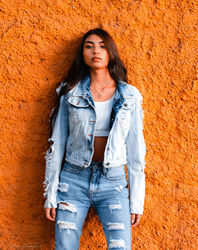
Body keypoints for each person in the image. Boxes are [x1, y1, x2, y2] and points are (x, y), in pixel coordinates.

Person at [43, 28, 146, 250]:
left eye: (102, 46)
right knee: (65, 247)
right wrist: (50, 194)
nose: (95, 51)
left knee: (121, 247)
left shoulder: (130, 95)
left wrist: (137, 200)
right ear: (82, 54)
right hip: (73, 180)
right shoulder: (70, 93)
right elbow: (56, 145)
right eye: (89, 46)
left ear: (111, 53)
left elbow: (136, 152)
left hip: (114, 183)